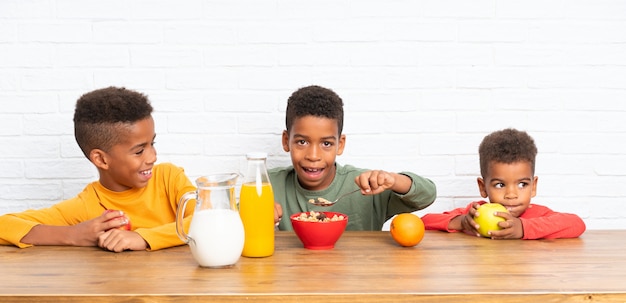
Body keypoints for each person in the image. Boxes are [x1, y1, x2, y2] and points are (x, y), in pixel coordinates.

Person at [0, 87, 199, 252]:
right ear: (101, 159)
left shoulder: (169, 179)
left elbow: (211, 216)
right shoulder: (87, 205)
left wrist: (143, 238)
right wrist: (74, 235)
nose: (152, 157)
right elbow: (4, 225)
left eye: (152, 144)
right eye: (139, 151)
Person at [270, 85, 437, 231]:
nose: (313, 156)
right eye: (302, 142)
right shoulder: (267, 185)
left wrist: (393, 180)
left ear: (340, 144)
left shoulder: (367, 187)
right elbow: (244, 222)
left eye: (326, 144)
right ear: (286, 141)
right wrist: (256, 216)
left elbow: (427, 194)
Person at [421, 128, 586, 239]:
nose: (511, 195)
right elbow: (425, 222)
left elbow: (577, 224)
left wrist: (523, 228)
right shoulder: (475, 214)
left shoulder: (538, 215)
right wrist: (462, 222)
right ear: (482, 187)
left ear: (533, 186)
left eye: (522, 184)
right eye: (500, 185)